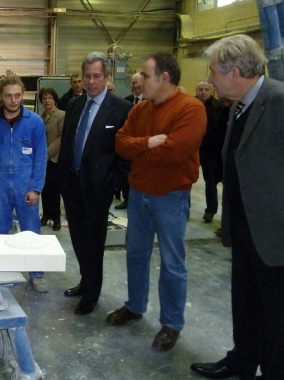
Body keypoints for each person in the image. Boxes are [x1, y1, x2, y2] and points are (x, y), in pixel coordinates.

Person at [190, 34, 284, 380]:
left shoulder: (278, 101)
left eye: (213, 71)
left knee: (277, 315)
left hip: (274, 232)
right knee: (246, 303)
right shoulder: (239, 106)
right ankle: (242, 360)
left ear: (235, 72)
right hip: (244, 226)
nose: (210, 79)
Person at [106, 52, 206, 352]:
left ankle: (171, 323)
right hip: (139, 194)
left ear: (164, 77)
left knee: (172, 263)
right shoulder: (140, 110)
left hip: (171, 197)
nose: (140, 82)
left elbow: (174, 153)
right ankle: (135, 306)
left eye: (145, 76)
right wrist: (148, 142)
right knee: (135, 254)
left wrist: (139, 149)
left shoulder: (192, 108)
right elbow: (120, 145)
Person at [57, 52, 132, 315]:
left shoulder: (122, 109)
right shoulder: (76, 105)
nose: (91, 82)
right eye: (87, 76)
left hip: (98, 188)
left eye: (96, 76)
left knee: (93, 241)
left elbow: (124, 155)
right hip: (73, 184)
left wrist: (114, 186)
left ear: (107, 77)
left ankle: (92, 293)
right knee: (77, 237)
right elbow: (68, 144)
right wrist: (62, 180)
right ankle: (85, 280)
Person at [0, 75, 48, 293]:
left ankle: (36, 274)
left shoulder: (35, 122)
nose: (14, 100)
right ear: (0, 96)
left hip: (25, 185)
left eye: (18, 95)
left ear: (23, 94)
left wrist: (36, 188)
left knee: (31, 231)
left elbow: (41, 158)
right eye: (8, 96)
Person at [115, 72, 145, 211]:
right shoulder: (126, 102)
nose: (135, 85)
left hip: (143, 146)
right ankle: (127, 199)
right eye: (133, 83)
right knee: (125, 174)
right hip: (128, 144)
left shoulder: (149, 102)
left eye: (137, 82)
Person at [195, 80, 223, 223]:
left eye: (206, 89)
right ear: (196, 91)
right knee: (186, 180)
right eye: (200, 89)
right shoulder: (190, 105)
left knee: (210, 182)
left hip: (210, 151)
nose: (203, 92)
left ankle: (210, 210)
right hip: (192, 148)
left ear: (212, 91)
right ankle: (185, 209)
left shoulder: (219, 107)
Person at [38, 87, 64, 231]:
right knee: (44, 189)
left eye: (50, 97)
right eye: (44, 98)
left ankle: (56, 218)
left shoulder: (61, 116)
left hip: (54, 159)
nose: (47, 100)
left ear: (55, 99)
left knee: (54, 190)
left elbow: (61, 138)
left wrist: (47, 153)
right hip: (42, 160)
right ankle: (46, 215)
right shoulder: (40, 117)